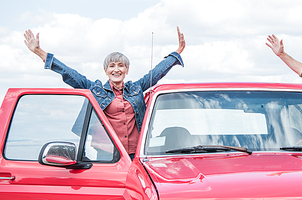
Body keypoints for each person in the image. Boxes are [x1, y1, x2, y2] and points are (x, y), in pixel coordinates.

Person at [24, 27, 186, 160]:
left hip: (136, 152)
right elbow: (69, 74)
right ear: (106, 70)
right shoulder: (96, 90)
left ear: (127, 70)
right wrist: (40, 52)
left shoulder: (136, 88)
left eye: (121, 66)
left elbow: (156, 73)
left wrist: (177, 52)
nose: (117, 69)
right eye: (112, 66)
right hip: (108, 153)